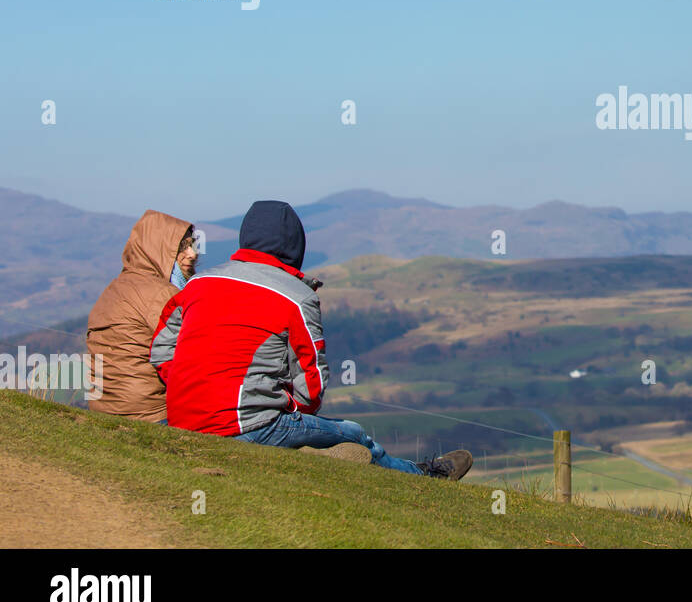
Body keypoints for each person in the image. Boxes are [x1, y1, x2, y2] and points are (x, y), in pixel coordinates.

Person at [149, 199, 471, 480]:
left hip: (182, 422)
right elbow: (312, 388)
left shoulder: (199, 283)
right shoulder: (296, 297)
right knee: (354, 432)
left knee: (307, 432)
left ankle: (307, 453)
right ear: (295, 246)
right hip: (249, 428)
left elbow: (161, 350)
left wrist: (187, 386)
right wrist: (285, 405)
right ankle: (422, 476)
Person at [85, 210, 197, 423]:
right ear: (159, 250)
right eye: (182, 247)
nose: (192, 253)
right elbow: (192, 352)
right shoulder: (162, 294)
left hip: (103, 408)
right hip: (150, 413)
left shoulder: (115, 287)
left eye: (193, 245)